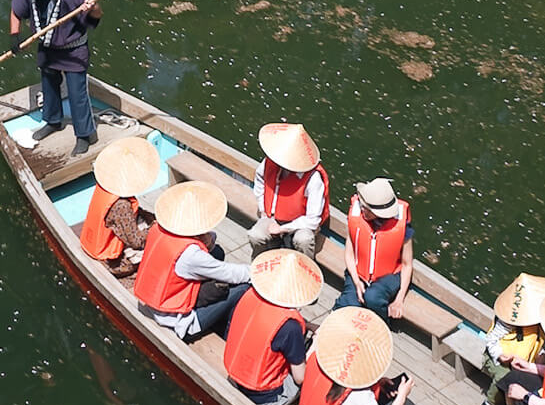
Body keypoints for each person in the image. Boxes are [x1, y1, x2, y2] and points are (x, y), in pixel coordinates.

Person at [133, 180, 252, 340]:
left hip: (156, 296)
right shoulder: (191, 255)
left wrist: (206, 241)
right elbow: (230, 273)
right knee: (242, 287)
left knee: (216, 252)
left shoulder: (157, 229)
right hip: (177, 320)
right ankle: (226, 333)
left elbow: (209, 245)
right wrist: (257, 271)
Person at [10, 0, 101, 155]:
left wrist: (92, 8)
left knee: (77, 93)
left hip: (73, 50)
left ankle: (85, 135)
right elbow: (16, 10)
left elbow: (96, 14)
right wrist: (14, 36)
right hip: (48, 48)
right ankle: (53, 121)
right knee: (49, 85)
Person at [222, 249, 322, 405]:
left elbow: (268, 320)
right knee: (312, 360)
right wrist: (314, 346)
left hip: (235, 375)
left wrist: (307, 325)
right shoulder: (290, 327)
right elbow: (300, 377)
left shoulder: (249, 294)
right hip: (265, 398)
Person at [79, 137, 161, 278]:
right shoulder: (122, 205)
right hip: (108, 259)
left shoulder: (105, 185)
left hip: (90, 241)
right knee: (158, 246)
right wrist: (153, 228)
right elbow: (135, 241)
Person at [335, 178, 414, 321]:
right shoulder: (357, 217)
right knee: (347, 303)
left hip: (389, 276)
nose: (362, 209)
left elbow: (407, 264)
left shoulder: (403, 228)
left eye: (367, 208)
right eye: (362, 205)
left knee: (373, 298)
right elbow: (349, 254)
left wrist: (399, 299)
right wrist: (356, 282)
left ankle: (379, 327)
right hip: (358, 272)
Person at [248, 122, 329, 259]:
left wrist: (283, 229)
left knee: (303, 240)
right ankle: (260, 265)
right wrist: (264, 211)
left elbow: (313, 219)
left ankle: (303, 271)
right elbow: (259, 180)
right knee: (255, 235)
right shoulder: (270, 163)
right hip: (273, 217)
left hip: (301, 224)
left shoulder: (313, 178)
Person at [483, 273, 545, 395]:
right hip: (500, 361)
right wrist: (500, 355)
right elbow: (491, 339)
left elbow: (536, 340)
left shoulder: (538, 321)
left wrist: (539, 355)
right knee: (503, 377)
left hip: (526, 360)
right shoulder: (509, 321)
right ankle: (489, 403)